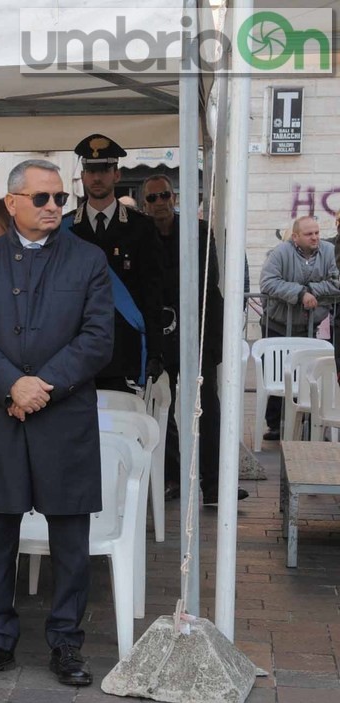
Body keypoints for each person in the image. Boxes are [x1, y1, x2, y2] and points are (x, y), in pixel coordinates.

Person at [0, 159, 113, 687]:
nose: (53, 208)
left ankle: (66, 643)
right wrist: (11, 385)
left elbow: (97, 338)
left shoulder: (88, 260)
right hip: (2, 416)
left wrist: (40, 386)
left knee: (70, 536)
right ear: (12, 201)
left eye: (60, 200)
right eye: (42, 199)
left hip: (62, 417)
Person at [143, 176, 247, 504]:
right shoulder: (142, 234)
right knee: (162, 404)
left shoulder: (199, 231)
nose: (159, 201)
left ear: (173, 197)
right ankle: (172, 475)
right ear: (145, 203)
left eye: (164, 195)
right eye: (152, 197)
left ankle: (213, 483)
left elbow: (208, 282)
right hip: (159, 334)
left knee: (208, 407)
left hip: (198, 332)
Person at [66, 134, 165, 393]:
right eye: (90, 170)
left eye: (104, 170)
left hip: (125, 350)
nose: (97, 178)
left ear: (117, 175)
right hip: (76, 351)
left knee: (127, 429)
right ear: (83, 176)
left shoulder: (141, 228)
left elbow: (152, 294)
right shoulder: (66, 228)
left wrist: (156, 351)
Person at [259, 215, 339, 439]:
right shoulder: (280, 253)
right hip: (276, 324)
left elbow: (337, 281)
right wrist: (300, 293)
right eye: (309, 234)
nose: (315, 237)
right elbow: (267, 282)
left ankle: (306, 423)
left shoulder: (329, 252)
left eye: (317, 233)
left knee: (307, 376)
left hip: (308, 326)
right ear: (295, 237)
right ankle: (275, 425)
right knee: (274, 374)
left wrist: (312, 289)